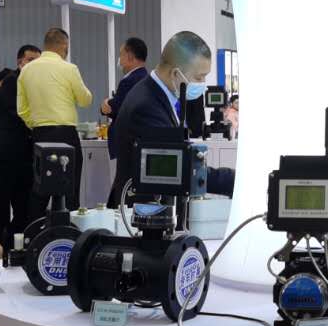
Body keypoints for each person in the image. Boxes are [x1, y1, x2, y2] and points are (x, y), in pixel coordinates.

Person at [110, 31, 212, 204]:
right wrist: (230, 179)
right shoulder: (146, 107)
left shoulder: (158, 95)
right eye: (199, 77)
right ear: (175, 74)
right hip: (144, 210)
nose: (202, 83)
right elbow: (180, 167)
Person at [18, 27, 93, 208]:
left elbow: (22, 110)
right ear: (64, 45)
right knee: (70, 189)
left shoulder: (26, 71)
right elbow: (85, 100)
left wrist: (36, 125)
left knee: (39, 190)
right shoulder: (69, 69)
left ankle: (35, 226)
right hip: (66, 136)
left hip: (39, 135)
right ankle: (69, 226)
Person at [0, 45, 41, 256]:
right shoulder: (12, 81)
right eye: (30, 60)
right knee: (2, 201)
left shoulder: (34, 83)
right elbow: (19, 113)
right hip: (4, 155)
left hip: (24, 155)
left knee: (23, 202)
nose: (34, 64)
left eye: (37, 60)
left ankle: (15, 240)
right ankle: (5, 242)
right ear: (20, 62)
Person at [101, 37, 149, 121]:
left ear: (130, 56)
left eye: (121, 54)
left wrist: (105, 104)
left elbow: (116, 109)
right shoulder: (147, 78)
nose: (119, 60)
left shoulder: (128, 81)